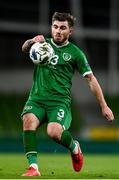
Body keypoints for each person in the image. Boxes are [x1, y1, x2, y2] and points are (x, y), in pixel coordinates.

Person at [21, 12, 114, 176]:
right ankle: (33, 168)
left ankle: (74, 147)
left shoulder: (76, 53)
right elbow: (24, 48)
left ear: (70, 31)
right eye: (55, 27)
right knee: (28, 121)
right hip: (36, 99)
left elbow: (91, 80)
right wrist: (31, 41)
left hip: (59, 102)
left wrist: (104, 105)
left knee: (53, 132)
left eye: (63, 28)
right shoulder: (42, 45)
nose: (58, 31)